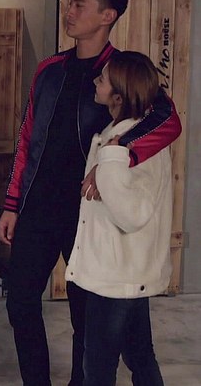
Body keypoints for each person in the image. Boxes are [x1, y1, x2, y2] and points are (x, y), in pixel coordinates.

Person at [0, 0, 182, 386]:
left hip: (87, 214)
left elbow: (168, 121)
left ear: (107, 15)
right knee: (20, 303)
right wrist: (12, 203)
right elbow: (27, 139)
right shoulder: (49, 70)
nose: (70, 10)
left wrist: (118, 151)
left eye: (79, 4)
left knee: (86, 317)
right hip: (38, 207)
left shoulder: (120, 75)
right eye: (70, 2)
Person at [66, 51, 173, 386]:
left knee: (98, 368)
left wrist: (109, 162)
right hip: (119, 272)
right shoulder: (119, 133)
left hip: (117, 279)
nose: (95, 81)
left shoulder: (129, 144)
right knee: (139, 356)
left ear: (118, 96)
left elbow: (133, 214)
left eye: (103, 79)